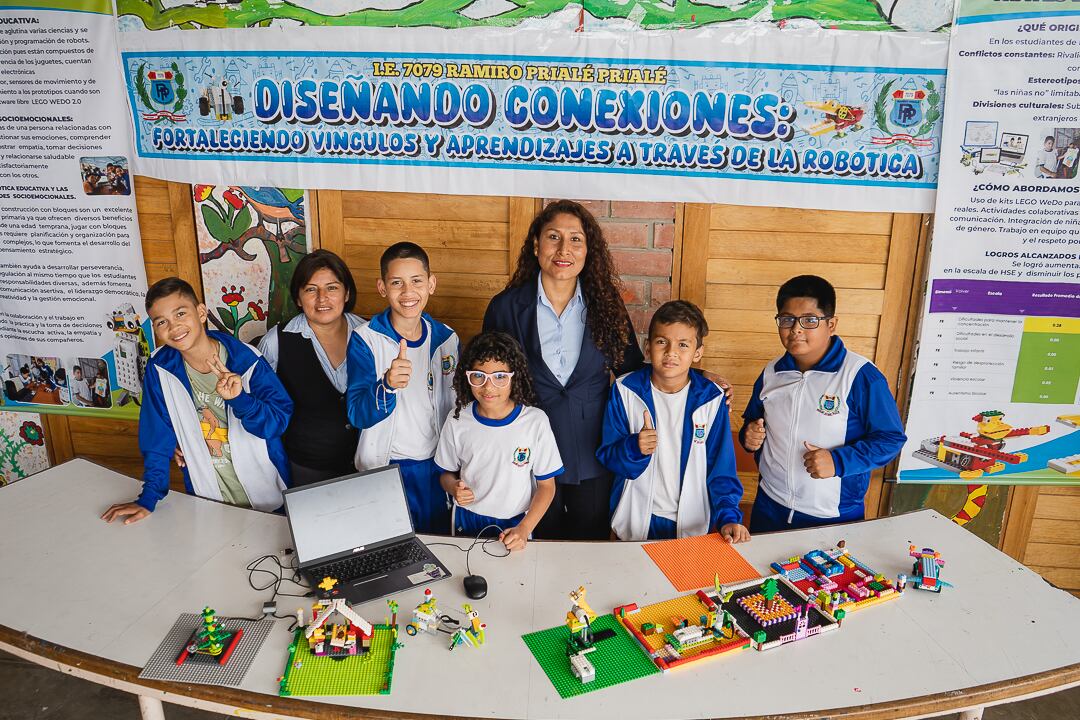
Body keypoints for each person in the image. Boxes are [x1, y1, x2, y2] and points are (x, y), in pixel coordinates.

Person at [482, 200, 646, 540]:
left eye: (575, 239)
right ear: (536, 245)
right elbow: (488, 379)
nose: (563, 249)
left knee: (590, 550)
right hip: (527, 454)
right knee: (537, 548)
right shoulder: (506, 307)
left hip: (593, 451)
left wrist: (699, 377)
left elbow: (632, 371)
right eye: (553, 237)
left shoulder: (607, 305)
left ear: (588, 250)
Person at [101, 277, 293, 525]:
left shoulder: (248, 360)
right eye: (162, 322)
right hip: (207, 499)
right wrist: (148, 498)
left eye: (181, 313)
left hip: (268, 500)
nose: (174, 326)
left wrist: (241, 400)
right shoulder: (160, 368)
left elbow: (276, 424)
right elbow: (157, 436)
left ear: (201, 312)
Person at [739, 275, 906, 532]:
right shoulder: (771, 373)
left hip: (832, 514)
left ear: (831, 324)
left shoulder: (859, 376)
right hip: (769, 504)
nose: (796, 329)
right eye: (786, 320)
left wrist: (838, 462)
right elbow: (752, 421)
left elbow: (890, 439)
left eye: (809, 320)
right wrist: (748, 436)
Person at [599, 301, 746, 542]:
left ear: (697, 353)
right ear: (648, 347)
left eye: (683, 345)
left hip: (694, 523)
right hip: (635, 520)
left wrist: (729, 517)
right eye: (661, 342)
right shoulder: (625, 391)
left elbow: (721, 469)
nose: (671, 352)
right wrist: (634, 448)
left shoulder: (711, 399)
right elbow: (609, 457)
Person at [346, 242, 459, 534]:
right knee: (390, 547)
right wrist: (387, 385)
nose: (408, 292)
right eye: (397, 283)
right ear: (382, 287)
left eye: (416, 281)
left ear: (431, 283)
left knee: (437, 543)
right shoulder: (366, 339)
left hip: (436, 468)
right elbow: (357, 413)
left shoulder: (447, 339)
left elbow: (458, 407)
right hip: (385, 466)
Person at [434, 332, 561, 550]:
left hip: (516, 523)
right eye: (478, 376)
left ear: (514, 376)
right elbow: (446, 474)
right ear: (467, 376)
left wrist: (525, 528)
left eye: (500, 377)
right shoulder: (457, 419)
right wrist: (454, 487)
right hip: (467, 519)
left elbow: (547, 487)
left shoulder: (535, 422)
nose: (488, 387)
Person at [259, 250, 366, 486]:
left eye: (332, 288)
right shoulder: (276, 342)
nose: (322, 298)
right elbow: (263, 407)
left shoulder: (370, 335)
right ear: (298, 298)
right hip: (306, 467)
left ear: (346, 292)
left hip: (367, 464)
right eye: (310, 289)